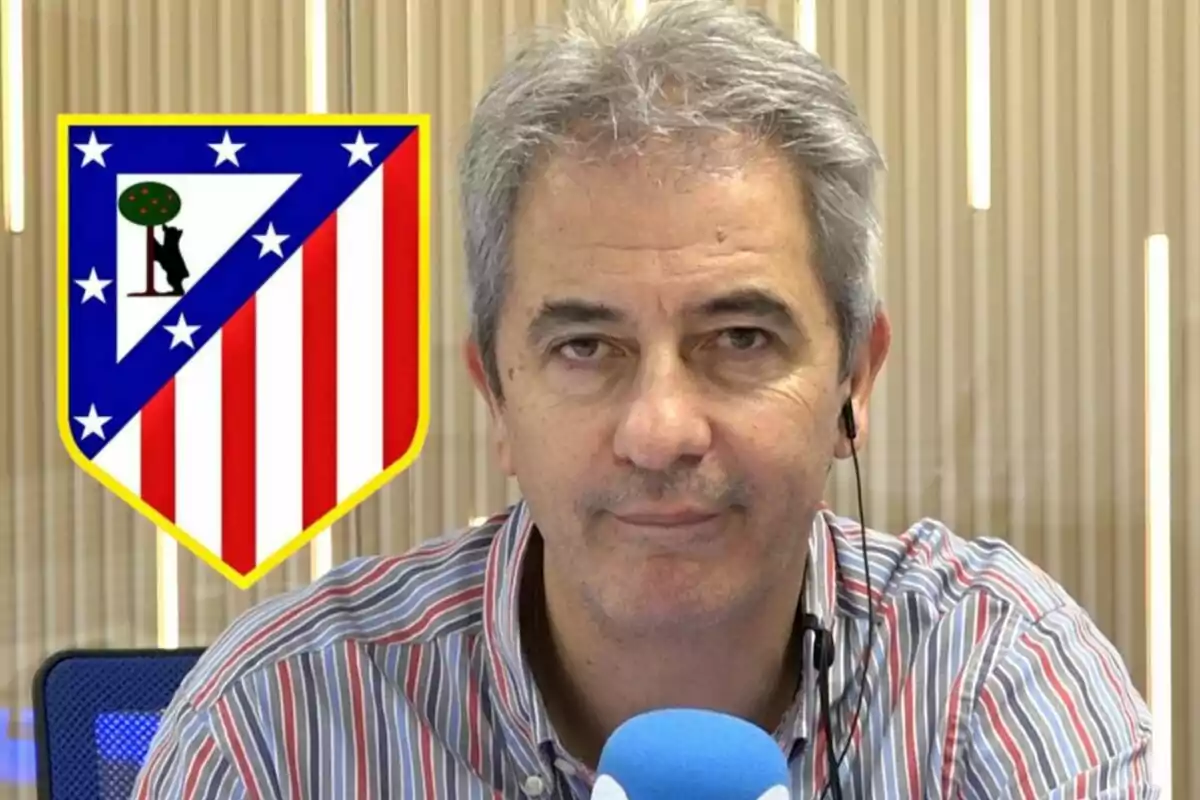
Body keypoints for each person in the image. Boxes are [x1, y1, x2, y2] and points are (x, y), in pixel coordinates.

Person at [132, 1, 1157, 797]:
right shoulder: (278, 725)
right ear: (495, 395)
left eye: (740, 337)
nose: (660, 428)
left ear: (855, 378)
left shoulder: (989, 675)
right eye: (586, 346)